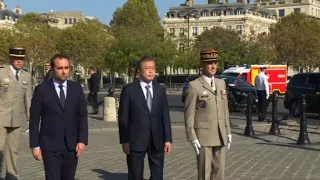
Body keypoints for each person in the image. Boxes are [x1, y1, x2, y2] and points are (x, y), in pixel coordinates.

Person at [29, 54, 88, 180]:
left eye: (66, 68)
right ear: (52, 68)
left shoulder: (76, 89)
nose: (63, 71)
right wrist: (35, 145)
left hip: (71, 145)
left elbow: (82, 116)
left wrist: (82, 140)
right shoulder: (41, 90)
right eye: (60, 68)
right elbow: (34, 120)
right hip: (50, 145)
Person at [118, 56, 172, 180]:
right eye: (147, 68)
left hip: (157, 139)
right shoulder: (129, 90)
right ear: (139, 71)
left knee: (158, 174)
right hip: (135, 140)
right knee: (136, 174)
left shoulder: (160, 90)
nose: (151, 71)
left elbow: (165, 115)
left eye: (153, 68)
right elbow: (123, 118)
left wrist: (168, 139)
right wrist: (125, 140)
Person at [184, 49, 232, 180]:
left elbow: (224, 109)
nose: (213, 66)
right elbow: (189, 114)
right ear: (202, 65)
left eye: (215, 62)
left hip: (220, 133)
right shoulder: (194, 86)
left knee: (219, 171)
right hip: (203, 136)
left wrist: (228, 130)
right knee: (204, 172)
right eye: (209, 63)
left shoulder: (221, 83)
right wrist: (191, 136)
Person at [0, 47, 32, 180]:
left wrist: (31, 119)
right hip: (1, 117)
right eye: (16, 59)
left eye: (21, 59)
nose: (19, 61)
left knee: (14, 150)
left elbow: (28, 99)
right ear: (11, 59)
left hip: (17, 118)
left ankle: (11, 175)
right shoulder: (1, 72)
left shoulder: (27, 75)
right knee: (0, 149)